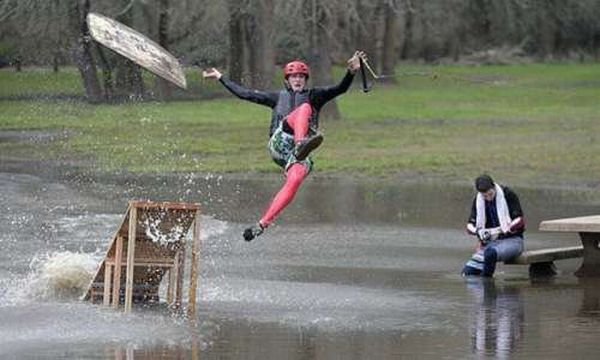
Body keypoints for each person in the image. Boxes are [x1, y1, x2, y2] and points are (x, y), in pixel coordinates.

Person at [202, 51, 365, 241]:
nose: (298, 80)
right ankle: (300, 144)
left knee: (295, 179)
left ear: (305, 80)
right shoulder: (276, 97)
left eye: (301, 77)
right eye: (294, 77)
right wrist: (221, 78)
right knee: (303, 109)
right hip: (280, 145)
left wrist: (351, 72)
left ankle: (262, 224)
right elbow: (244, 94)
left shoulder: (315, 95)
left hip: (298, 154)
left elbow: (340, 89)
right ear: (287, 80)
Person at [462, 174, 525, 277]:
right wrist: (478, 232)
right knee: (467, 273)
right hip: (490, 242)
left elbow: (520, 220)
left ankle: (487, 285)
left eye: (490, 194)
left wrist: (502, 230)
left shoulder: (508, 195)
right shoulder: (478, 201)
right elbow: (470, 225)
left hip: (513, 240)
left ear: (494, 187)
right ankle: (480, 291)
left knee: (490, 254)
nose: (488, 198)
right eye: (485, 196)